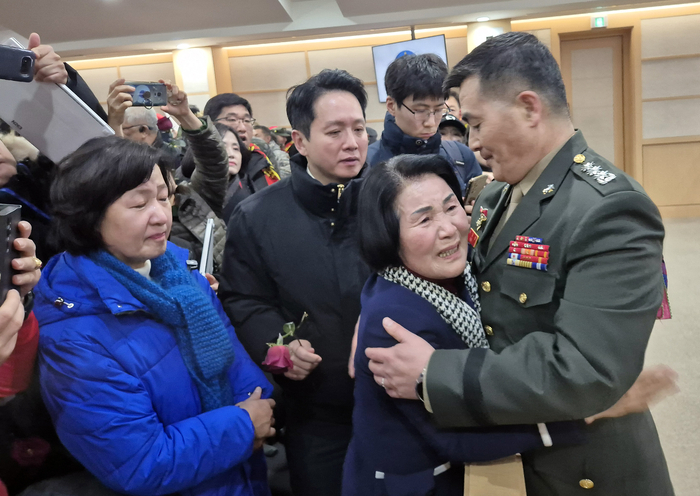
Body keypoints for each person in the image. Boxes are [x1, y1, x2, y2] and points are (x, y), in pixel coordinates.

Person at [364, 32, 674, 495]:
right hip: (504, 446)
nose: (470, 143)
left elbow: (584, 367)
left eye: (476, 123)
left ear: (530, 108)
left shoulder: (608, 209)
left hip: (581, 461)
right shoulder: (495, 194)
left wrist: (436, 373)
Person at [34, 136, 275, 496]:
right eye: (138, 203)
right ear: (90, 215)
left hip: (240, 476)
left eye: (164, 197)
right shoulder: (73, 336)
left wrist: (257, 413)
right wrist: (242, 426)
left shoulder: (181, 276)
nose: (162, 215)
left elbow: (239, 372)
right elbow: (139, 463)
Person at [345, 154, 587, 495]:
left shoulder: (457, 273)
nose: (448, 229)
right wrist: (577, 415)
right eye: (424, 220)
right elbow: (456, 440)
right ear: (387, 235)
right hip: (413, 481)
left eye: (451, 207)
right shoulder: (395, 323)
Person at [218, 69, 372, 496]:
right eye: (335, 131)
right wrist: (281, 348)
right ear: (299, 141)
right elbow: (245, 301)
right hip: (317, 415)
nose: (352, 142)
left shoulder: (391, 198)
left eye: (359, 128)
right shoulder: (258, 216)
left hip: (401, 403)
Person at [367, 53, 481, 197]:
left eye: (439, 110)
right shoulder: (366, 162)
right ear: (391, 106)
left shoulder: (461, 156)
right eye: (420, 111)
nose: (431, 123)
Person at [203, 93, 282, 174]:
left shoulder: (261, 150)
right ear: (210, 125)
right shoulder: (199, 161)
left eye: (247, 121)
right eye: (232, 119)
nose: (242, 128)